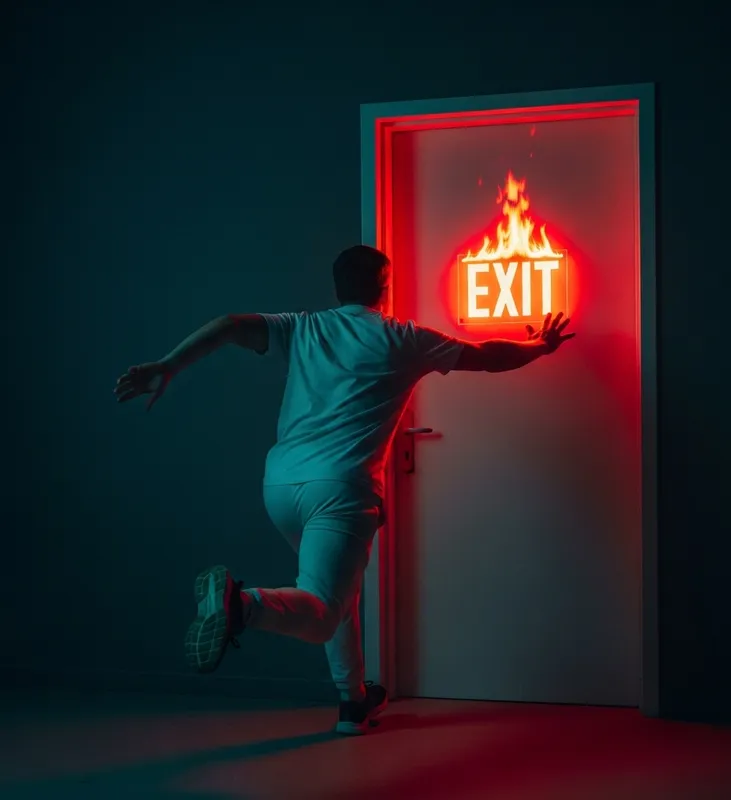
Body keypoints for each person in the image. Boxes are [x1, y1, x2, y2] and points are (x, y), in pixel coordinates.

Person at [113, 244, 575, 735]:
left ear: (337, 288)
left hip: (281, 486)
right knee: (322, 615)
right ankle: (241, 606)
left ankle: (353, 703)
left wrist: (167, 365)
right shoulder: (402, 337)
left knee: (338, 594)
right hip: (341, 491)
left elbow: (229, 324)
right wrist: (541, 346)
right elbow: (488, 357)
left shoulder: (303, 326)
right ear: (385, 285)